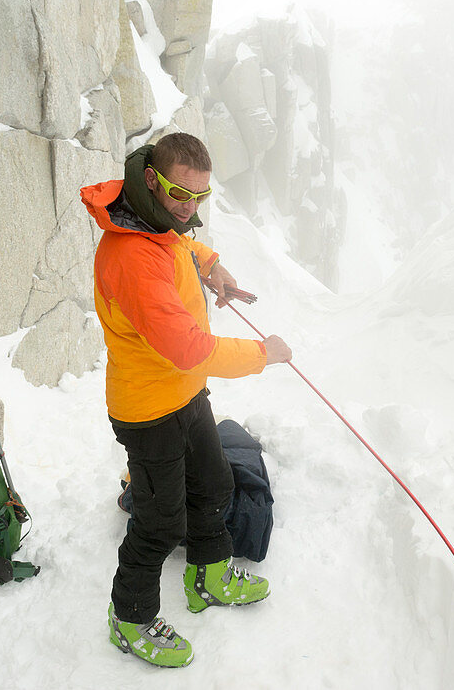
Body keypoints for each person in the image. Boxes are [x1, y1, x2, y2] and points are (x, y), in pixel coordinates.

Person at [81, 132, 292, 668]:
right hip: (148, 410)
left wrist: (211, 263)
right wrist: (262, 354)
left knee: (215, 484)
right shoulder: (129, 255)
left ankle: (210, 574)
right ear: (150, 178)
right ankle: (129, 619)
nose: (190, 208)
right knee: (159, 520)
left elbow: (179, 244)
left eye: (201, 196)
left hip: (186, 395)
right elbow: (187, 348)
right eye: (181, 194)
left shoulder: (156, 220)